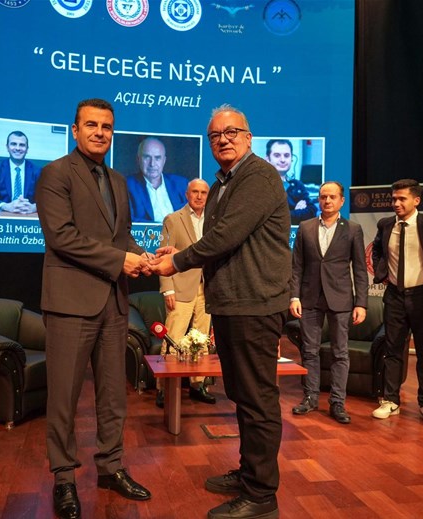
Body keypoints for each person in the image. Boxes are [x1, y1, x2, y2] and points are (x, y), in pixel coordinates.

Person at [151, 105, 291, 519]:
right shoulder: (222, 184)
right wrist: (179, 251)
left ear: (248, 137)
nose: (223, 140)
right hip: (231, 304)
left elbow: (227, 236)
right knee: (242, 397)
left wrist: (176, 263)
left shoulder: (259, 175)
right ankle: (249, 473)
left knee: (258, 401)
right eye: (215, 135)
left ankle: (261, 495)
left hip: (255, 304)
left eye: (232, 132)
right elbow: (215, 238)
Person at [36, 98, 152, 519]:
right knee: (64, 398)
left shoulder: (118, 180)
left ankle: (111, 467)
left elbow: (122, 236)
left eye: (106, 126)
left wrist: (145, 255)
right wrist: (121, 260)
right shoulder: (55, 174)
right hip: (71, 303)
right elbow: (61, 237)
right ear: (75, 130)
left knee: (113, 395)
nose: (100, 132)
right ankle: (64, 478)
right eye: (91, 125)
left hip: (114, 302)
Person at [370, 178, 423, 427]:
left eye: (402, 199)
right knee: (393, 350)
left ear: (416, 200)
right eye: (394, 198)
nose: (396, 203)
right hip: (395, 295)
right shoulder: (386, 225)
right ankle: (390, 400)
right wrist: (382, 272)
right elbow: (376, 250)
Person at [289, 181, 368, 424]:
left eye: (332, 197)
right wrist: (294, 296)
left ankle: (337, 402)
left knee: (340, 353)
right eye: (323, 196)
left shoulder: (353, 229)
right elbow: (297, 266)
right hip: (310, 297)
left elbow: (360, 269)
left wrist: (361, 303)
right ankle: (310, 397)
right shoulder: (306, 227)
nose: (327, 201)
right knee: (309, 351)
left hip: (340, 299)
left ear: (342, 201)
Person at [155, 178, 216, 408]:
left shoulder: (214, 220)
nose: (199, 196)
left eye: (203, 192)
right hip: (180, 287)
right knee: (173, 339)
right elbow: (163, 255)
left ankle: (198, 385)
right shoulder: (173, 219)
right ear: (187, 194)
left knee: (201, 339)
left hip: (206, 287)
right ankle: (164, 388)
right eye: (195, 192)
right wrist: (167, 288)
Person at [127, 137, 190, 222]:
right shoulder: (127, 186)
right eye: (147, 157)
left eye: (157, 158)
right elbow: (129, 221)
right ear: (138, 160)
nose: (152, 164)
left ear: (164, 161)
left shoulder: (181, 184)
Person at [0, 130, 40, 213]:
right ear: (7, 147)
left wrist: (34, 207)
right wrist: (6, 206)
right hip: (3, 217)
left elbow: (47, 199)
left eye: (22, 145)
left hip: (27, 216)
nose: (18, 148)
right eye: (13, 144)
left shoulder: (37, 171)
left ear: (27, 149)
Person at [265, 139, 317, 225]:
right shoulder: (260, 184)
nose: (282, 160)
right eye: (277, 155)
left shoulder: (297, 185)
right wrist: (296, 212)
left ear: (291, 158)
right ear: (267, 159)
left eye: (286, 155)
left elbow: (312, 212)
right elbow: (265, 217)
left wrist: (285, 215)